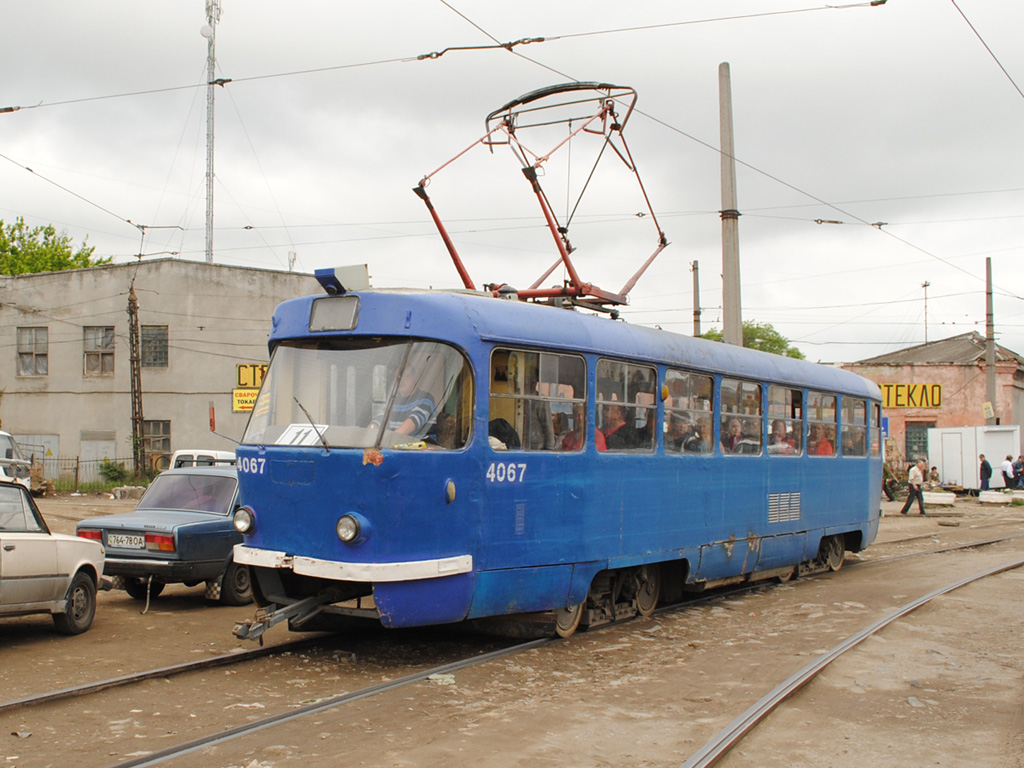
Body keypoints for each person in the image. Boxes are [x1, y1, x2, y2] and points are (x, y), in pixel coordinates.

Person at [371, 362, 436, 437]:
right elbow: (379, 419)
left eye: (406, 376)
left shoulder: (426, 398)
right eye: (398, 378)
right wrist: (368, 435)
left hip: (420, 447)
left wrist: (389, 439)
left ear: (415, 378)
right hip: (396, 446)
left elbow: (414, 421)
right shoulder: (393, 401)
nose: (402, 381)